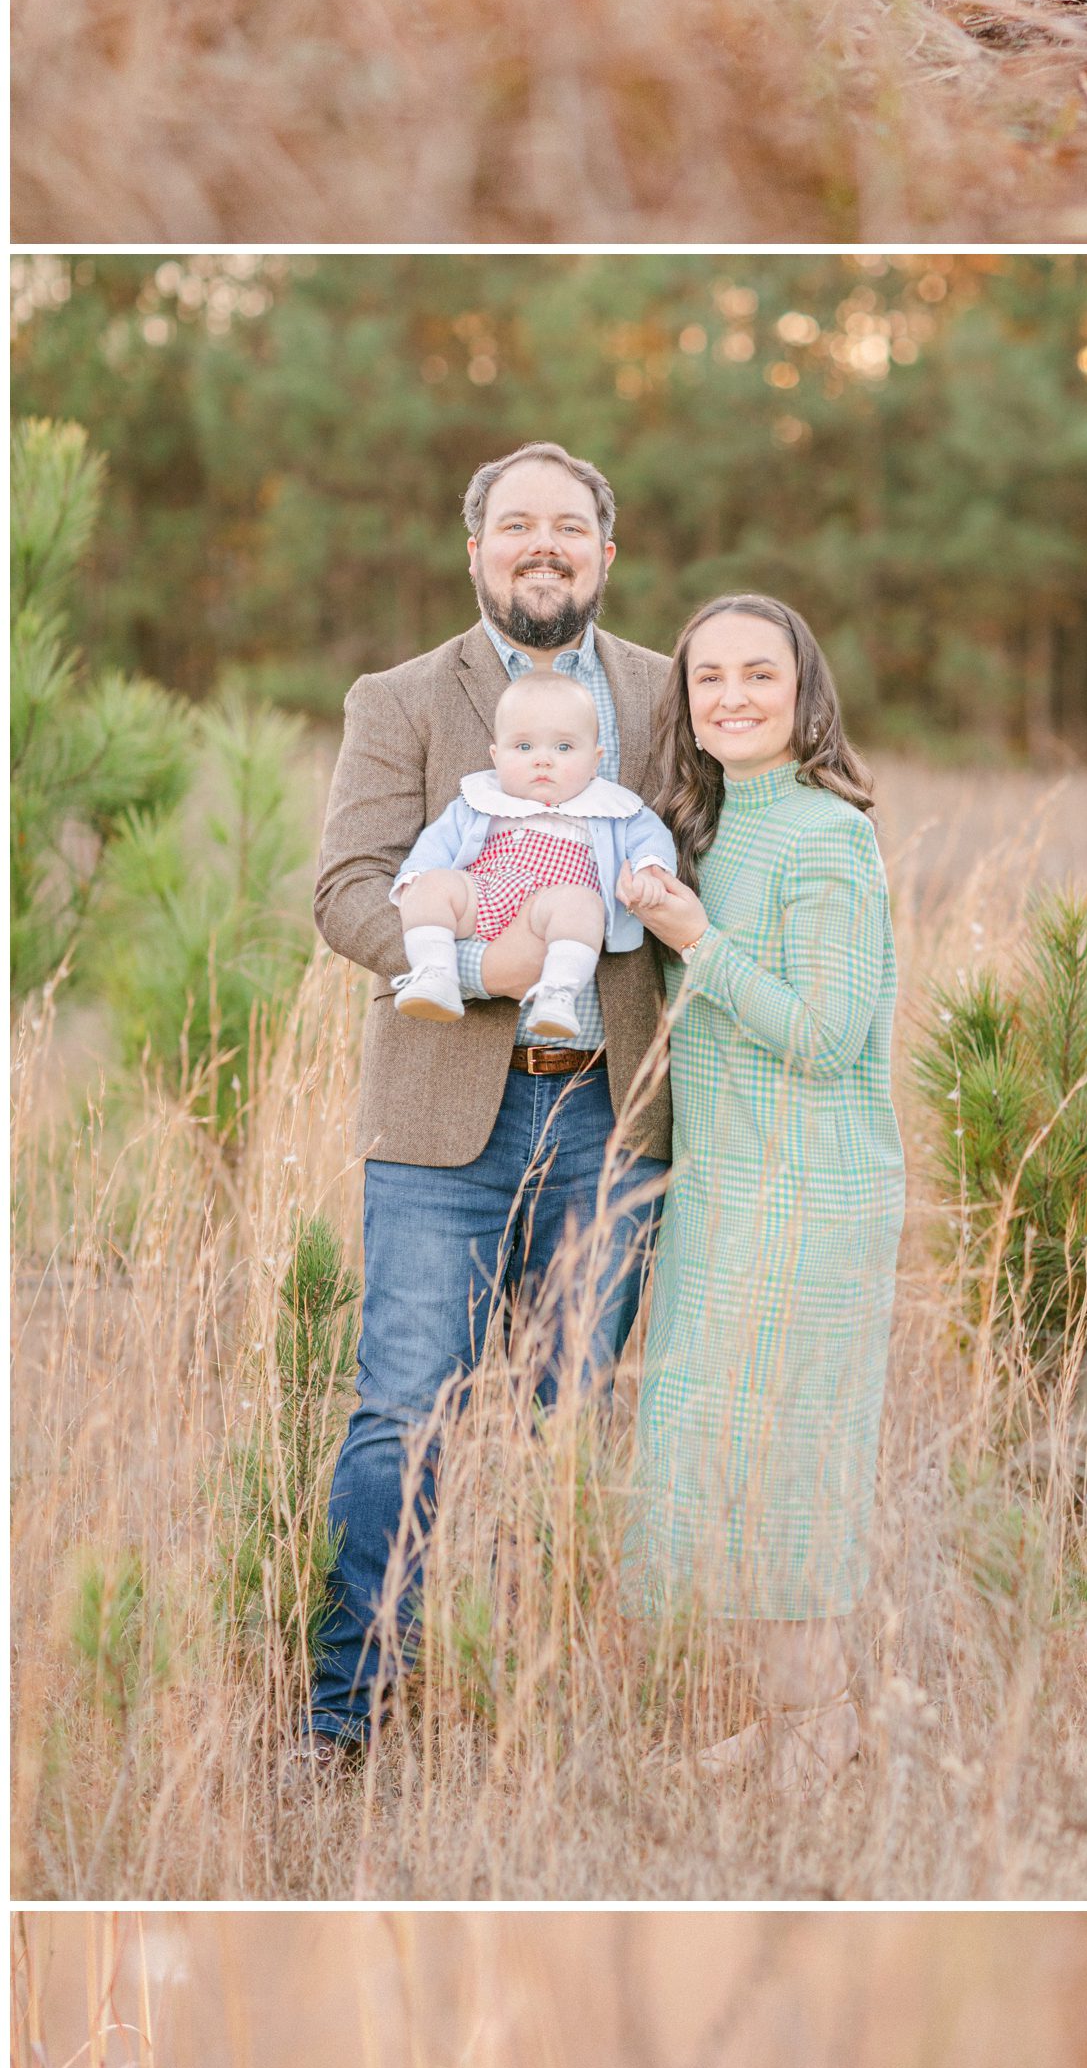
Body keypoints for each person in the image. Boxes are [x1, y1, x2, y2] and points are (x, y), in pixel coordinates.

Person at [304, 444, 674, 1759]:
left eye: (567, 526)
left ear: (604, 553)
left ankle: (540, 1715)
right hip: (440, 1122)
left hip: (613, 1117)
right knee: (404, 1403)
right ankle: (351, 1716)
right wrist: (483, 968)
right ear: (475, 550)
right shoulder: (402, 698)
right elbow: (348, 889)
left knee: (573, 1419)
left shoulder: (668, 692)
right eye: (515, 524)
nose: (542, 544)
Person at [619, 594, 905, 1797]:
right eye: (709, 678)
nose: (732, 696)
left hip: (812, 1194)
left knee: (786, 1477)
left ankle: (822, 1729)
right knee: (714, 1468)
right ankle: (794, 1717)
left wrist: (697, 941)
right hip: (727, 1189)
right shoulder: (714, 823)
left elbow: (830, 1035)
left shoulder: (829, 838)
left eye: (760, 676)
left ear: (804, 695)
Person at [391, 669, 679, 1046]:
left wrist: (651, 870)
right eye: (524, 748)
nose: (543, 761)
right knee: (430, 885)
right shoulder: (481, 801)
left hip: (552, 910)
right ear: (496, 756)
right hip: (484, 896)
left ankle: (557, 994)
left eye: (563, 748)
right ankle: (435, 972)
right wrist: (417, 879)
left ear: (595, 760)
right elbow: (436, 844)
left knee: (582, 904)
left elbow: (650, 838)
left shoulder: (610, 806)